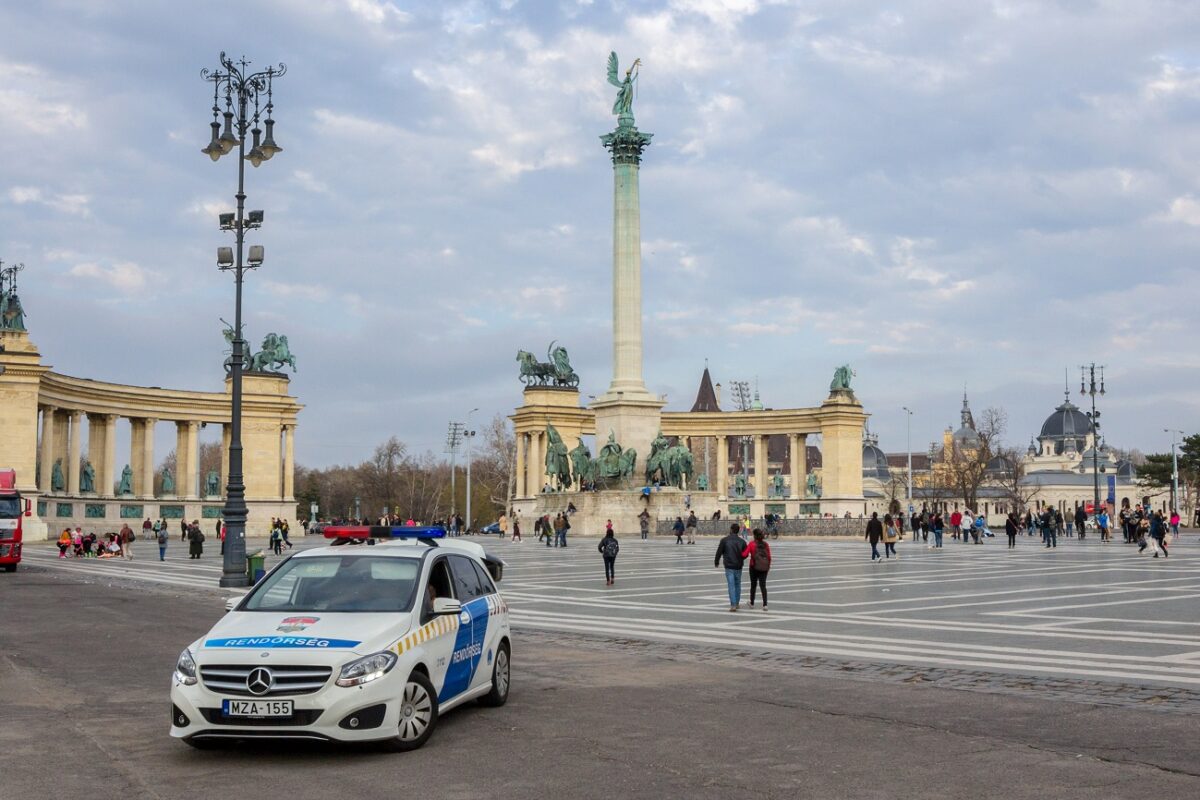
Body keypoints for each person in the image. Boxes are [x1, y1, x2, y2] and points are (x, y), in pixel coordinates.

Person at [714, 523, 746, 611]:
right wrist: (741, 558)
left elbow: (719, 552)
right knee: (737, 584)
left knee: (731, 585)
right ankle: (737, 602)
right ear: (738, 530)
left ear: (731, 530)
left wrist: (716, 561)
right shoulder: (742, 541)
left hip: (729, 565)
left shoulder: (724, 540)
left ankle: (733, 604)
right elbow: (745, 554)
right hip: (738, 565)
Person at [741, 529, 771, 611]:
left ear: (754, 535)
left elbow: (745, 554)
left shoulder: (751, 544)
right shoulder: (766, 544)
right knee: (763, 586)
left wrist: (739, 553)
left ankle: (752, 603)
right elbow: (769, 557)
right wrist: (767, 567)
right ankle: (765, 605)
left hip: (753, 567)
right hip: (764, 567)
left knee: (753, 585)